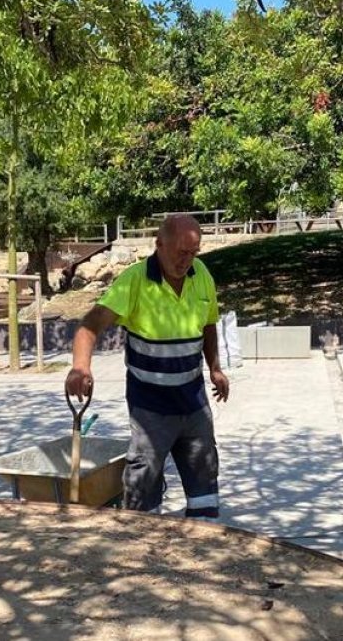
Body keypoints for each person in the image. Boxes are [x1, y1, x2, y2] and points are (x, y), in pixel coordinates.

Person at [65, 214, 229, 518]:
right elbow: (89, 325)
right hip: (150, 409)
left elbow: (208, 325)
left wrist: (215, 368)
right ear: (159, 244)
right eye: (181, 252)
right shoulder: (135, 280)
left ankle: (202, 542)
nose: (187, 261)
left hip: (194, 404)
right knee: (143, 483)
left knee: (204, 475)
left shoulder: (201, 273)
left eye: (193, 253)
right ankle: (142, 548)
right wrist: (80, 367)